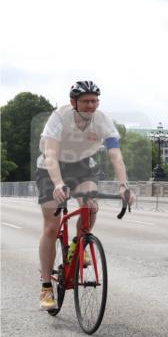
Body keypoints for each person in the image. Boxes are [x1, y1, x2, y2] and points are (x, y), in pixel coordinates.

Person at [35, 81, 135, 310]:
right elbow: (50, 153)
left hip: (81, 165)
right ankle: (46, 286)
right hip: (50, 167)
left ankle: (77, 245)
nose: (91, 105)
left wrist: (123, 185)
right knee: (51, 227)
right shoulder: (59, 117)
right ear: (73, 103)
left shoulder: (102, 120)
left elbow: (115, 155)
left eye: (95, 101)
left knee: (91, 206)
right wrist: (59, 184)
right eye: (86, 101)